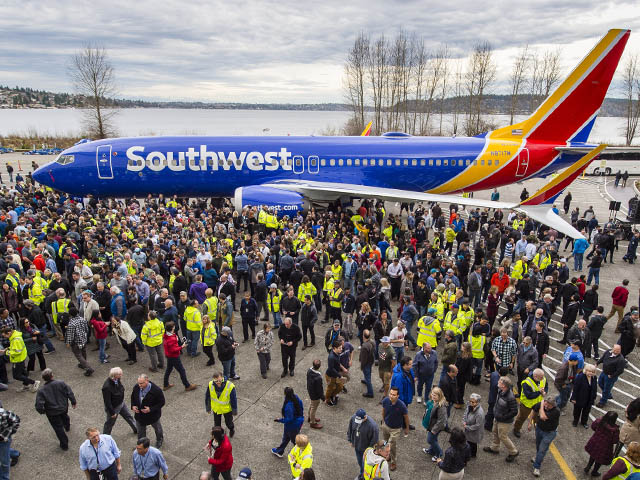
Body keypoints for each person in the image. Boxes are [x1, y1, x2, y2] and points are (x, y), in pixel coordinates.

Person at [34, 368, 76, 450]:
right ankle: (67, 426)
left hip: (52, 412)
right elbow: (69, 392)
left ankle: (64, 445)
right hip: (63, 407)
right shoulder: (61, 383)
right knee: (65, 416)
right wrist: (73, 401)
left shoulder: (41, 391)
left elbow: (39, 405)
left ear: (43, 378)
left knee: (58, 428)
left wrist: (43, 411)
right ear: (52, 376)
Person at [483, 376, 519, 462]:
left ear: (504, 385)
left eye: (499, 381)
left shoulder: (510, 397)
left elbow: (514, 411)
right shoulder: (500, 390)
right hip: (497, 417)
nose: (498, 382)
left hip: (504, 421)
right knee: (495, 432)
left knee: (503, 436)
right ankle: (495, 448)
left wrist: (503, 417)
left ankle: (513, 452)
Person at [528, 396, 561, 477]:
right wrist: (530, 422)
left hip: (549, 433)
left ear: (553, 405)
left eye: (548, 406)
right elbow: (533, 410)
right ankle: (538, 457)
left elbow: (543, 416)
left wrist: (542, 405)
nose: (546, 407)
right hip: (539, 429)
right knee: (538, 447)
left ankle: (537, 467)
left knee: (542, 450)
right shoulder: (543, 404)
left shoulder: (556, 411)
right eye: (546, 404)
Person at [131, 374, 165, 448]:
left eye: (141, 383)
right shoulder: (136, 387)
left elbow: (162, 402)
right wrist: (133, 406)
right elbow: (133, 397)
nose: (139, 385)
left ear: (147, 381)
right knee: (140, 432)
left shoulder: (156, 390)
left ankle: (159, 439)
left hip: (153, 416)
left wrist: (150, 409)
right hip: (140, 415)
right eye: (138, 383)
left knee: (157, 428)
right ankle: (142, 445)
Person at [162, 321, 199, 391]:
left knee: (169, 369)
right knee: (181, 370)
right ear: (172, 328)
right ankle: (187, 385)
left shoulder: (167, 335)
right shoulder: (171, 338)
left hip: (169, 355)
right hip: (173, 356)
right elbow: (174, 349)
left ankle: (165, 384)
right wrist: (182, 346)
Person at [0, 326, 39, 390]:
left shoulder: (15, 340)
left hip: (18, 359)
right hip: (21, 357)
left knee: (16, 376)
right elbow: (15, 347)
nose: (5, 337)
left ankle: (34, 382)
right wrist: (7, 349)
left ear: (9, 333)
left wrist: (6, 352)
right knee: (23, 372)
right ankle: (26, 385)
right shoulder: (15, 336)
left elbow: (17, 352)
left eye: (5, 335)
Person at [102, 367, 137, 436]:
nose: (121, 375)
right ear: (114, 375)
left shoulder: (117, 379)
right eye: (120, 374)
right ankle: (105, 437)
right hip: (114, 407)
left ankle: (136, 428)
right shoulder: (107, 387)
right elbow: (107, 402)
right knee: (110, 423)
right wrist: (112, 413)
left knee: (128, 416)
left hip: (120, 403)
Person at [381, 386, 409, 471]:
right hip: (386, 426)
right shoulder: (385, 400)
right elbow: (383, 411)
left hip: (396, 429)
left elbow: (406, 417)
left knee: (391, 445)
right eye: (390, 394)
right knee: (386, 442)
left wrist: (407, 428)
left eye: (393, 395)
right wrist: (383, 422)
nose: (391, 396)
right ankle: (388, 456)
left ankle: (393, 462)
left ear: (398, 396)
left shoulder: (401, 405)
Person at [271, 387, 305, 457]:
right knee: (286, 438)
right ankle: (280, 451)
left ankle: (301, 454)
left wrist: (279, 420)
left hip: (291, 426)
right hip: (298, 422)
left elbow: (289, 419)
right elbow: (301, 408)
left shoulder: (288, 406)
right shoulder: (296, 398)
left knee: (294, 441)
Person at [584, 411, 620, 477]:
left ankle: (588, 467)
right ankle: (594, 471)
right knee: (599, 459)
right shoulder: (614, 430)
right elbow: (615, 440)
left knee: (593, 455)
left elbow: (593, 426)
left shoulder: (599, 421)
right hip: (605, 447)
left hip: (595, 441)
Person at [513, 368, 547, 438]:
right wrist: (539, 392)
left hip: (537, 403)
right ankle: (516, 429)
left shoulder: (542, 378)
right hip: (526, 404)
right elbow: (529, 396)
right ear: (535, 376)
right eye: (541, 377)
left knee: (537, 419)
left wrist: (545, 391)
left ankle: (537, 432)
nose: (542, 378)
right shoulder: (526, 383)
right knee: (522, 417)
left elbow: (546, 386)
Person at [347, 408, 379, 480]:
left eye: (360, 420)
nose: (358, 422)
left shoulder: (372, 426)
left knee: (365, 464)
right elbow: (350, 429)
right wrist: (350, 440)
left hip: (366, 450)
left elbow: (374, 440)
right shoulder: (353, 418)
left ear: (365, 417)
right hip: (357, 446)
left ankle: (363, 476)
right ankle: (362, 474)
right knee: (360, 462)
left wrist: (369, 451)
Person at [205, 372, 237, 437]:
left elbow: (233, 399)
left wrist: (234, 410)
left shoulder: (230, 386)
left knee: (229, 423)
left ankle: (231, 429)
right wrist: (208, 408)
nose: (218, 382)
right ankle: (219, 435)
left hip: (226, 409)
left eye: (220, 380)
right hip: (216, 409)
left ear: (223, 377)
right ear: (213, 380)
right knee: (217, 425)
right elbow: (207, 397)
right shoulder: (210, 385)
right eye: (216, 381)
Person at [423, 386, 449, 462]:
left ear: (439, 396)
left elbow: (442, 421)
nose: (433, 396)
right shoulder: (433, 401)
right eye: (432, 394)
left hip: (435, 427)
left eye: (435, 395)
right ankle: (431, 450)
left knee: (430, 440)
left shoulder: (441, 406)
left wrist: (434, 430)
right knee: (433, 439)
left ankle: (439, 453)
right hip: (431, 424)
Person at [570, 364, 598, 428]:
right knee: (577, 411)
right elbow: (576, 388)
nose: (591, 373)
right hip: (579, 398)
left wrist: (594, 397)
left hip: (589, 399)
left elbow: (595, 388)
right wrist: (574, 398)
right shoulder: (580, 377)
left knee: (586, 412)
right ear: (586, 370)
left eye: (592, 372)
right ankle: (575, 421)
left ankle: (584, 422)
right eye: (589, 371)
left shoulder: (594, 378)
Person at [0, 404, 19, 480]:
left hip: (3, 441)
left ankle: (4, 477)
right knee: (4, 452)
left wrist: (8, 433)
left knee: (4, 461)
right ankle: (15, 454)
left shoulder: (2, 414)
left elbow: (16, 420)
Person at [463, 393, 484, 458]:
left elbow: (477, 425)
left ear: (477, 403)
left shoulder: (479, 413)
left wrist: (467, 427)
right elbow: (465, 414)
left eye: (473, 402)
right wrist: (464, 421)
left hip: (474, 432)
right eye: (470, 401)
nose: (471, 403)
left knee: (473, 443)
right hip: (468, 428)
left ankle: (473, 454)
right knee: (468, 441)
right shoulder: (469, 406)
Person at [325, 339, 345, 406]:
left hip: (336, 374)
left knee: (340, 387)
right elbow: (331, 368)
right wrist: (339, 375)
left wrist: (343, 368)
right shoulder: (331, 357)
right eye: (339, 348)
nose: (341, 349)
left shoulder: (337, 353)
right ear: (334, 348)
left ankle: (333, 395)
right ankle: (327, 400)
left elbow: (338, 363)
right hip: (330, 376)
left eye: (341, 347)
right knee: (330, 389)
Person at [377, 336, 396, 400]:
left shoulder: (391, 351)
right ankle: (384, 385)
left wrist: (391, 372)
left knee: (387, 382)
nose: (383, 343)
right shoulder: (380, 345)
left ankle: (385, 394)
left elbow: (393, 363)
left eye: (384, 342)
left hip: (387, 369)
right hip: (381, 367)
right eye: (382, 341)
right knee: (381, 377)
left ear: (388, 342)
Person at [359, 329, 375, 398]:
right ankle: (366, 380)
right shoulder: (372, 342)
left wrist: (362, 366)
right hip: (371, 361)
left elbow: (364, 359)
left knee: (368, 376)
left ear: (363, 336)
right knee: (368, 374)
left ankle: (370, 393)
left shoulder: (364, 346)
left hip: (367, 363)